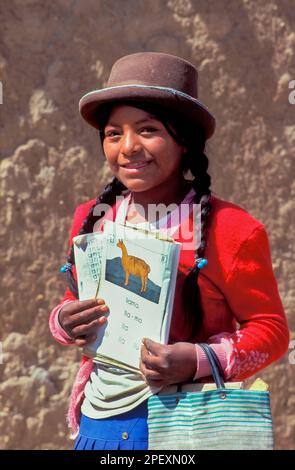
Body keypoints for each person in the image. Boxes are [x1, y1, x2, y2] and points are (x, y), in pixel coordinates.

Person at [49, 52, 290, 450]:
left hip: (185, 426)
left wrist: (196, 359)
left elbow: (272, 332)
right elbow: (73, 300)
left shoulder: (230, 229)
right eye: (114, 133)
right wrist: (65, 320)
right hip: (100, 424)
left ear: (185, 141)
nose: (128, 147)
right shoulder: (93, 219)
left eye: (148, 130)